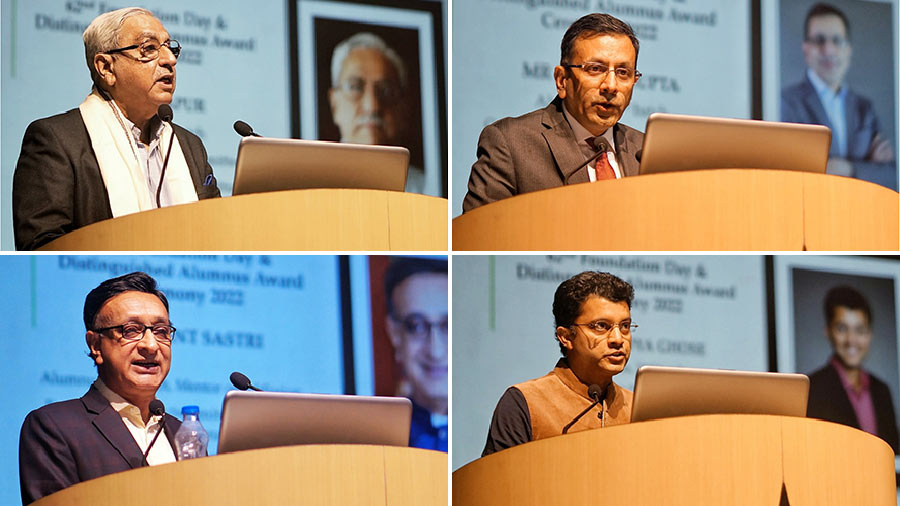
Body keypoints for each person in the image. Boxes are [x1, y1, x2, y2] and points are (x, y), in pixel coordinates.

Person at [12, 7, 221, 251]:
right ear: (106, 68)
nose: (170, 60)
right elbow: (41, 246)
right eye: (149, 48)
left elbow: (216, 234)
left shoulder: (189, 145)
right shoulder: (56, 140)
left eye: (170, 47)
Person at [19, 272, 181, 504]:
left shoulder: (182, 432)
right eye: (131, 330)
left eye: (161, 331)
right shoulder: (54, 427)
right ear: (95, 345)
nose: (151, 345)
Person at [463, 13, 643, 212]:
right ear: (561, 80)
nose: (611, 86)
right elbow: (480, 235)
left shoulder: (644, 151)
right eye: (595, 69)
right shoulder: (510, 143)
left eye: (623, 73)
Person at [482, 271, 635, 456]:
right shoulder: (525, 402)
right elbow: (497, 481)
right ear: (566, 337)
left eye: (625, 326)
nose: (618, 339)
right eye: (601, 326)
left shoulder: (636, 408)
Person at [781, 3, 896, 190]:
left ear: (848, 50)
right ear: (806, 49)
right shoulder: (786, 103)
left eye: (837, 40)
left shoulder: (864, 107)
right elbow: (788, 174)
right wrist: (868, 166)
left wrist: (848, 168)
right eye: (819, 40)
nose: (828, 50)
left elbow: (891, 175)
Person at [806, 285, 899, 453]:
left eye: (860, 330)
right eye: (842, 329)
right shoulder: (811, 388)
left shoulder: (882, 391)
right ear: (828, 332)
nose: (851, 340)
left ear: (870, 335)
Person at [328, 32, 424, 194]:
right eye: (355, 87)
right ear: (334, 103)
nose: (372, 106)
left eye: (385, 91)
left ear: (403, 106)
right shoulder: (313, 185)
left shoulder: (429, 188)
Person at [384, 258, 448, 451]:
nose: (435, 351)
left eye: (448, 326)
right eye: (416, 326)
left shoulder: (494, 427)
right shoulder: (376, 439)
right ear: (394, 334)